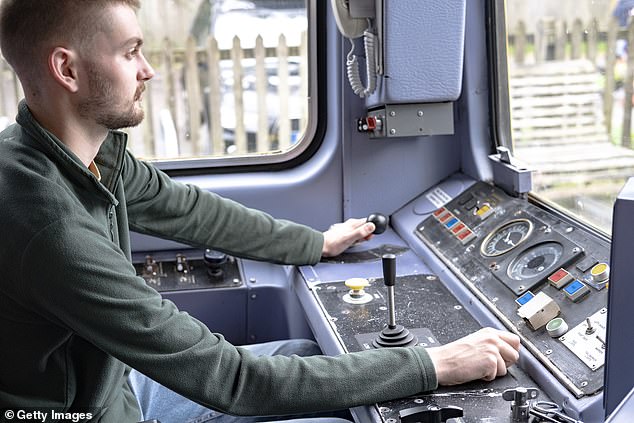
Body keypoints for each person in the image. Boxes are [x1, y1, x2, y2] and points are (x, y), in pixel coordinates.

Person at [0, 1, 521, 423]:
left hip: (118, 386)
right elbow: (233, 381)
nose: (148, 69)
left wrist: (312, 243)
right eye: (130, 51)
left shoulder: (86, 155)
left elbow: (191, 211)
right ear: (67, 68)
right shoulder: (51, 229)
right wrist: (433, 363)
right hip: (85, 415)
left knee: (305, 352)